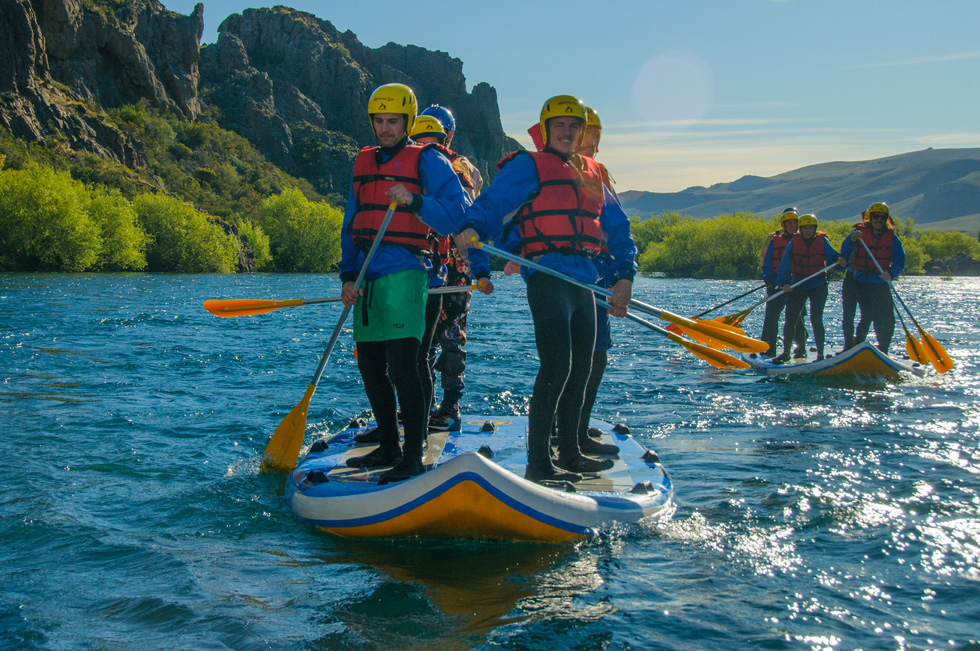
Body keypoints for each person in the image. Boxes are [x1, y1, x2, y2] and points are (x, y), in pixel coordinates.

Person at [455, 95, 636, 484]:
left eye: (574, 126)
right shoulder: (529, 166)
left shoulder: (593, 172)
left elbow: (618, 227)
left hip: (583, 279)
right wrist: (471, 227)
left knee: (582, 368)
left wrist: (625, 275)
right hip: (547, 275)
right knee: (557, 366)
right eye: (560, 126)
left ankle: (570, 453)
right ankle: (538, 463)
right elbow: (492, 203)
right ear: (547, 129)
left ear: (583, 131)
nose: (568, 133)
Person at [339, 83, 468, 483]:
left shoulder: (426, 161)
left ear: (408, 122)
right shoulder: (362, 162)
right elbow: (351, 219)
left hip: (408, 272)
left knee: (404, 366)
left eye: (393, 121)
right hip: (367, 276)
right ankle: (389, 446)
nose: (384, 128)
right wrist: (347, 273)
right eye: (378, 121)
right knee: (371, 366)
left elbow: (457, 211)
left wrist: (415, 202)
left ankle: (413, 455)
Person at [840, 201, 906, 354]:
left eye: (882, 217)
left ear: (886, 219)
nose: (879, 220)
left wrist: (891, 273)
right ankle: (850, 346)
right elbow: (844, 254)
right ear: (870, 217)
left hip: (878, 281)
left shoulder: (892, 238)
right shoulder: (858, 234)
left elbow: (899, 261)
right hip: (857, 280)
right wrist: (852, 241)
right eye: (876, 216)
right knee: (861, 314)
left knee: (886, 317)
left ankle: (883, 349)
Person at [775, 214, 841, 361]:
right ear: (801, 229)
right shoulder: (793, 243)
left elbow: (833, 260)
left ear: (815, 229)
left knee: (816, 318)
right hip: (798, 283)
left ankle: (820, 354)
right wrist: (784, 282)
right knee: (790, 318)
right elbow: (783, 265)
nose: (807, 231)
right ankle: (786, 352)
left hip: (818, 284)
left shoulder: (823, 242)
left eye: (811, 228)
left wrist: (840, 262)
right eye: (805, 228)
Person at [760, 208, 808, 357]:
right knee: (772, 317)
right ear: (784, 225)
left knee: (797, 319)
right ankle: (770, 348)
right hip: (776, 284)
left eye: (795, 223)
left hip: (796, 285)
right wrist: (768, 281)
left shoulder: (803, 240)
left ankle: (801, 349)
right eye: (789, 223)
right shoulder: (775, 240)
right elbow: (767, 263)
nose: (792, 226)